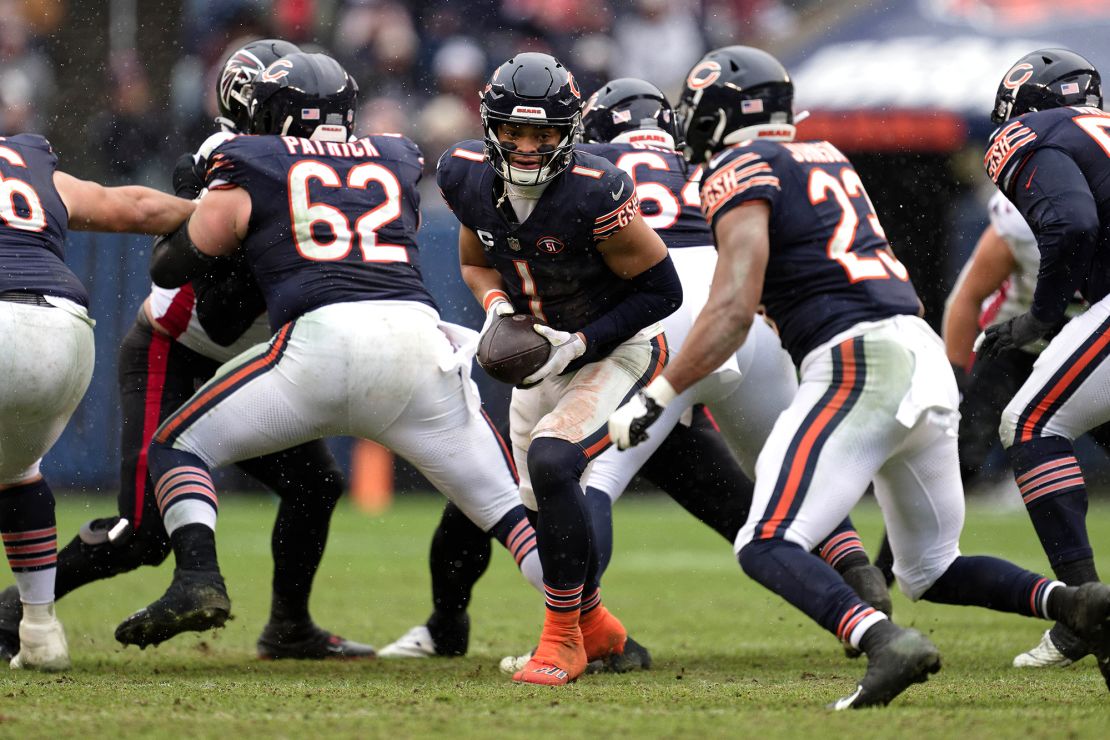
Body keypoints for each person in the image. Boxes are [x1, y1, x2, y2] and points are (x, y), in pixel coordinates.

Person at [609, 45, 1110, 707]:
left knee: (764, 542)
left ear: (720, 115)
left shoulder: (738, 167)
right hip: (918, 352)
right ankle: (1075, 603)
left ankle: (882, 641)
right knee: (931, 568)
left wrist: (661, 392)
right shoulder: (827, 156)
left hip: (860, 360)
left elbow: (731, 307)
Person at [111, 51, 545, 652]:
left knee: (176, 445)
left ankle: (198, 578)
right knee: (508, 508)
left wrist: (206, 199)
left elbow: (173, 265)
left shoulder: (246, 159)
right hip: (419, 342)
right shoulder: (394, 154)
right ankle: (597, 626)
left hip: (317, 346)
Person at [0, 38, 384, 662]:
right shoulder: (214, 167)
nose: (331, 141)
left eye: (339, 123)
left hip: (255, 357)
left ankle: (289, 627)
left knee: (316, 484)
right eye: (313, 125)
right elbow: (223, 306)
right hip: (179, 351)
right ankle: (11, 613)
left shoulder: (324, 176)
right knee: (141, 534)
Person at [438, 52, 682, 685]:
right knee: (539, 509)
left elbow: (663, 292)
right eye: (513, 132)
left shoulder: (594, 189)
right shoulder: (463, 174)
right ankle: (598, 631)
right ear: (489, 126)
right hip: (542, 356)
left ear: (569, 133)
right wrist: (497, 311)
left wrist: (577, 342)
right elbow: (475, 263)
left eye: (543, 134)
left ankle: (561, 642)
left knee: (553, 459)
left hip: (617, 350)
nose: (524, 147)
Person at [0, 132, 194, 671]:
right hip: (60, 328)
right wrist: (215, 211)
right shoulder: (30, 169)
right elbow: (133, 206)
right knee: (17, 473)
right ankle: (39, 632)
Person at [979, 47, 1110, 679]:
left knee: (1030, 424)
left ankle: (1086, 608)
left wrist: (1042, 315)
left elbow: (1075, 223)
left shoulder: (1029, 133)